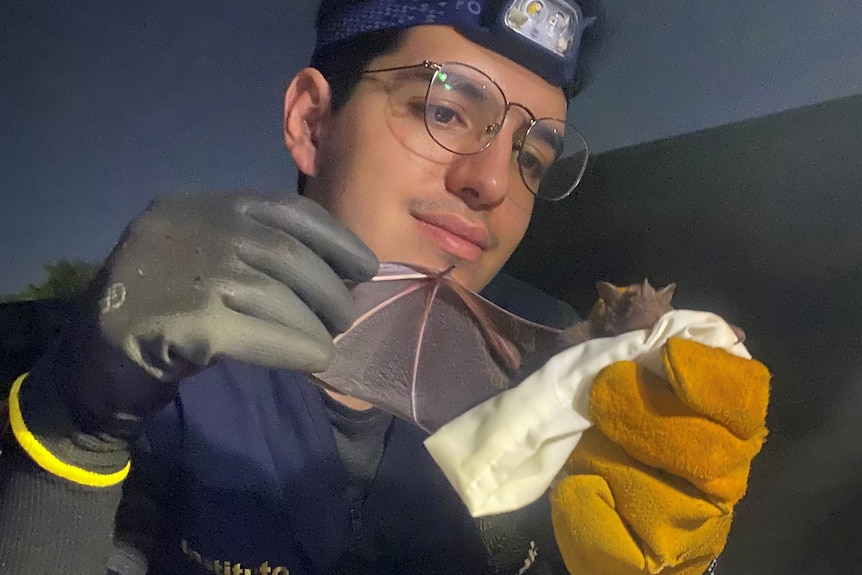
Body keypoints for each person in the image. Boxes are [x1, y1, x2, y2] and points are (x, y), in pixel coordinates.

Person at [0, 1, 769, 574]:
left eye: (533, 157)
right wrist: (73, 429)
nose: (495, 181)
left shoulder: (560, 371)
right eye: (444, 109)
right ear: (310, 121)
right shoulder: (146, 360)